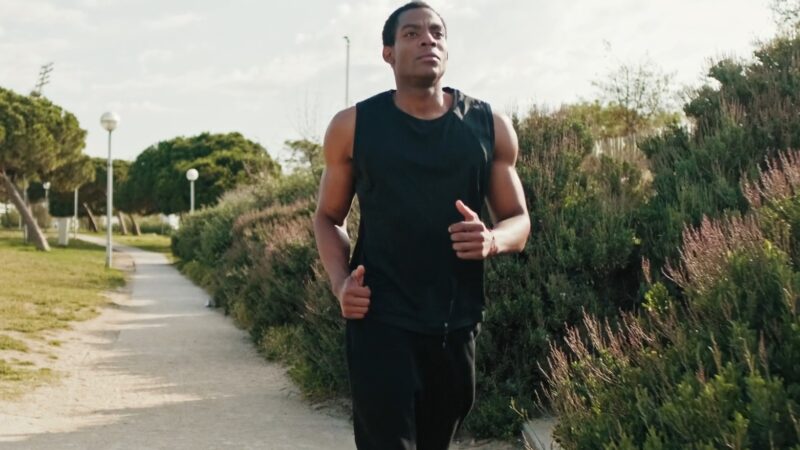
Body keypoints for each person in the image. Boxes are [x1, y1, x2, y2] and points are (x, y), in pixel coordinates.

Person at [313, 2, 530, 449]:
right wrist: (340, 285)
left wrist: (492, 240)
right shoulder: (353, 127)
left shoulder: (490, 127)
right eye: (411, 34)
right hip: (379, 317)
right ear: (388, 53)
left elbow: (518, 221)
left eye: (436, 32)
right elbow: (328, 218)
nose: (427, 39)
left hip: (455, 322)